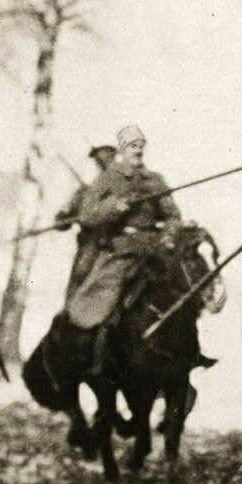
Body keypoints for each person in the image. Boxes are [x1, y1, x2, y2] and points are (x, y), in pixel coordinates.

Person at [66, 125, 183, 374]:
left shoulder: (156, 180)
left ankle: (187, 350)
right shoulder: (108, 179)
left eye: (140, 145)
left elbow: (173, 215)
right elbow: (87, 215)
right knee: (98, 299)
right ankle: (95, 356)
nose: (137, 150)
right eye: (131, 146)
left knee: (188, 284)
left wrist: (168, 237)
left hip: (156, 247)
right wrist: (115, 206)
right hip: (122, 249)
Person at [55, 145, 118, 301]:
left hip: (117, 244)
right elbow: (61, 221)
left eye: (106, 155)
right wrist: (65, 216)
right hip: (90, 245)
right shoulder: (86, 192)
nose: (101, 160)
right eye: (98, 157)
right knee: (80, 281)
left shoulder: (126, 186)